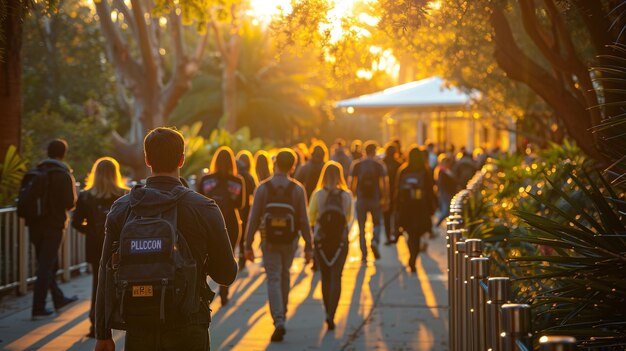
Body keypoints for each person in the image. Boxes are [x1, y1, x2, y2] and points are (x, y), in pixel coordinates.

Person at [95, 127, 237, 351]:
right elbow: (227, 274)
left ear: (147, 159)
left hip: (138, 324)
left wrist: (102, 334)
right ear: (181, 159)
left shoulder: (123, 207)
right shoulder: (204, 207)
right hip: (188, 322)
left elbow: (104, 269)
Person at [244, 148, 313, 343]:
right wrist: (309, 246)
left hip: (269, 240)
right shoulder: (298, 189)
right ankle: (283, 311)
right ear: (293, 166)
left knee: (273, 277)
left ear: (274, 164)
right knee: (285, 275)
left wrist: (247, 244)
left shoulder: (263, 188)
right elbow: (303, 220)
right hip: (290, 241)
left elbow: (254, 218)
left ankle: (279, 319)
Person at [72, 157, 128, 337]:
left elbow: (76, 222)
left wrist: (90, 231)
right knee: (123, 282)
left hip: (96, 246)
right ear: (115, 174)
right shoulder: (124, 195)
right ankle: (124, 317)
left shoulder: (86, 196)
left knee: (98, 284)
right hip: (120, 247)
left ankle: (96, 324)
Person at [28, 139, 78, 320]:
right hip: (54, 226)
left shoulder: (36, 171)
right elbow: (70, 203)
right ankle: (38, 308)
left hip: (34, 225)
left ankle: (58, 299)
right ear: (63, 154)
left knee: (48, 264)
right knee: (45, 266)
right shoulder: (63, 174)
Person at [198, 146, 245, 306]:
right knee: (228, 256)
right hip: (231, 223)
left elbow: (198, 202)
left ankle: (203, 290)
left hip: (207, 224)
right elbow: (240, 204)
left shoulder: (206, 180)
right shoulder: (237, 181)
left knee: (205, 257)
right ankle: (224, 290)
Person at [308, 161, 352, 331]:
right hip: (340, 240)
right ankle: (332, 313)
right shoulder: (346, 196)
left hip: (322, 240)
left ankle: (327, 310)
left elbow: (311, 217)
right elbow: (349, 218)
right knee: (337, 276)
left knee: (325, 276)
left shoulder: (318, 194)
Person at [393, 147, 436, 272]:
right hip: (420, 207)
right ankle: (413, 257)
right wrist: (431, 207)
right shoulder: (425, 171)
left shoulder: (403, 170)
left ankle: (412, 256)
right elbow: (430, 190)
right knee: (417, 234)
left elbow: (397, 190)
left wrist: (397, 206)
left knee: (410, 233)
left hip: (406, 207)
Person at [349, 140, 389, 262]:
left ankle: (364, 254)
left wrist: (353, 196)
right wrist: (385, 198)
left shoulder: (357, 165)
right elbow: (384, 183)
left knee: (361, 227)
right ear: (375, 151)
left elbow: (352, 183)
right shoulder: (379, 165)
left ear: (364, 151)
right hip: (375, 198)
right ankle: (375, 240)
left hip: (361, 199)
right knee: (377, 223)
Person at [236, 150, 258, 271]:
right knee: (244, 234)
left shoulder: (235, 175)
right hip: (246, 210)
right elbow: (255, 193)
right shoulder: (249, 177)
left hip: (234, 210)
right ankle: (242, 259)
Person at [382, 143, 401, 245]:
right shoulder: (398, 164)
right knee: (396, 214)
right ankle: (396, 232)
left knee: (386, 216)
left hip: (385, 193)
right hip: (396, 193)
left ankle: (388, 236)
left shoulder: (382, 163)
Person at [435, 156, 457, 227]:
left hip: (448, 193)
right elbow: (443, 184)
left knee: (448, 210)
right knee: (446, 211)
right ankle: (437, 224)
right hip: (446, 193)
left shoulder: (447, 171)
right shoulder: (442, 172)